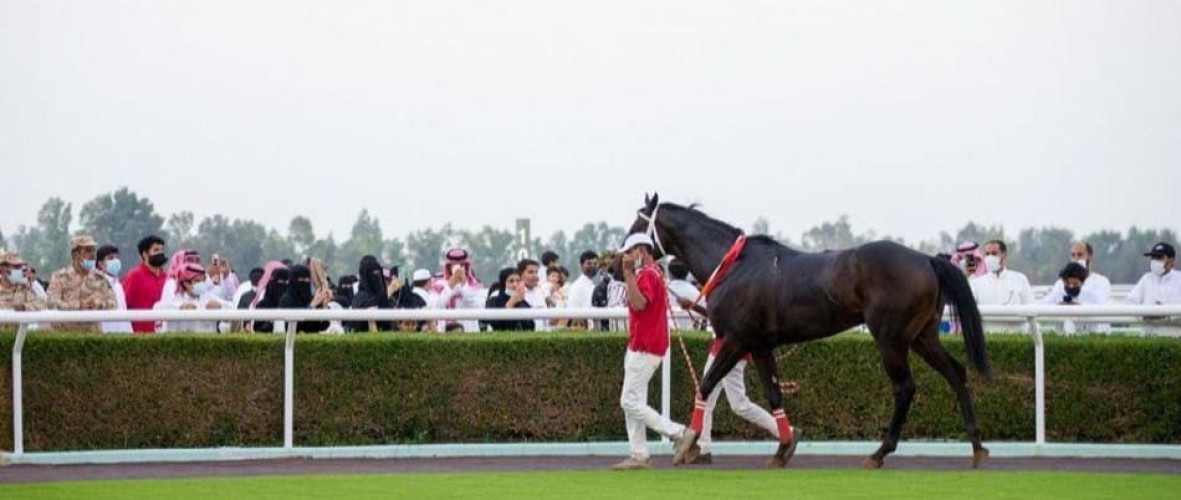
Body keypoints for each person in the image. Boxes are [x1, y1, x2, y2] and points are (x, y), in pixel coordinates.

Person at [612, 233, 688, 470]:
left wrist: (627, 274)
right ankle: (639, 454)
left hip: (645, 346)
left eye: (629, 251)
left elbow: (639, 303)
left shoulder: (646, 274)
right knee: (635, 399)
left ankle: (678, 432)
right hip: (643, 344)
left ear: (640, 251)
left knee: (628, 401)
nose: (625, 257)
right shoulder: (653, 273)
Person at [47, 235, 117, 332]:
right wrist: (79, 305)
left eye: (94, 250)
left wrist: (99, 304)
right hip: (64, 336)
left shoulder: (99, 278)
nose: (93, 255)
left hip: (92, 336)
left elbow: (113, 303)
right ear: (76, 255)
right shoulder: (60, 277)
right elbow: (52, 304)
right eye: (88, 251)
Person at [969, 240, 1033, 332]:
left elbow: (1032, 309)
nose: (990, 257)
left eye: (994, 253)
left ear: (1004, 255)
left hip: (1017, 337)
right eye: (987, 254)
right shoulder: (976, 283)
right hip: (988, 337)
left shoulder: (1020, 279)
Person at [153, 262, 225, 333]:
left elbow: (231, 308)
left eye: (203, 281)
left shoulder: (209, 297)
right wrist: (179, 307)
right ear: (186, 283)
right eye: (197, 281)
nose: (201, 284)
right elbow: (157, 309)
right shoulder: (175, 298)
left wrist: (220, 306)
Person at [1041, 262, 1110, 334]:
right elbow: (1040, 307)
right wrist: (1058, 307)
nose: (1071, 286)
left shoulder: (1092, 295)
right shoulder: (1057, 294)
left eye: (1075, 284)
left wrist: (1079, 307)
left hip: (1090, 336)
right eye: (1067, 283)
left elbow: (1105, 310)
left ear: (1082, 282)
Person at [122, 235, 169, 334]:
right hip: (140, 335)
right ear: (144, 254)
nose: (160, 253)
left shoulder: (167, 278)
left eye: (162, 250)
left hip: (164, 334)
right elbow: (125, 305)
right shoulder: (134, 276)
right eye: (156, 250)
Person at [434, 248, 485, 332]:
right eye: (454, 265)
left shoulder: (475, 285)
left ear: (466, 266)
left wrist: (464, 285)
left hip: (470, 332)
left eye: (462, 265)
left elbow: (478, 307)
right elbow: (436, 308)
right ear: (449, 267)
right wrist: (449, 287)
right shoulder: (438, 285)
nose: (458, 268)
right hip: (444, 333)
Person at [278, 264, 331, 333]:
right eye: (302, 279)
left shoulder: (311, 299)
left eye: (308, 279)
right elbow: (294, 326)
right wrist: (311, 306)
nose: (306, 282)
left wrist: (325, 306)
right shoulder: (286, 300)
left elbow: (323, 326)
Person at [0, 252, 47, 329]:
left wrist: (24, 307)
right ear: (3, 269)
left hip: (19, 336)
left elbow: (43, 304)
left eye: (20, 266)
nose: (20, 270)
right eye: (16, 267)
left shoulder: (24, 288)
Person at [349, 255, 392, 332]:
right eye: (373, 274)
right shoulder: (360, 297)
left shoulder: (385, 294)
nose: (376, 277)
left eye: (378, 273)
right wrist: (385, 295)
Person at [484, 267, 535, 331]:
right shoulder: (493, 301)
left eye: (518, 281)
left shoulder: (524, 303)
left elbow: (530, 327)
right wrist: (510, 304)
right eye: (511, 281)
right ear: (503, 283)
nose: (515, 285)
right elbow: (495, 324)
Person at [96, 245, 132, 333]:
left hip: (122, 332)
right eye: (110, 258)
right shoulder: (96, 283)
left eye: (116, 258)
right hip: (106, 333)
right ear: (100, 263)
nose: (115, 261)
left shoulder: (117, 284)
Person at [250, 261, 290, 333]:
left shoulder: (293, 305)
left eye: (287, 283)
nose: (285, 286)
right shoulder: (262, 305)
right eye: (282, 282)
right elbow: (258, 330)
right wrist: (270, 321)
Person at [565, 251, 598, 330]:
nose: (592, 266)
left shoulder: (592, 285)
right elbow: (572, 312)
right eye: (589, 263)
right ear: (581, 266)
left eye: (595, 264)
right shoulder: (577, 286)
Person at [517, 258, 549, 331]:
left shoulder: (539, 292)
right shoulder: (515, 293)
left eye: (536, 272)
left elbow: (545, 321)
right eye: (530, 272)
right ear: (521, 275)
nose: (535, 275)